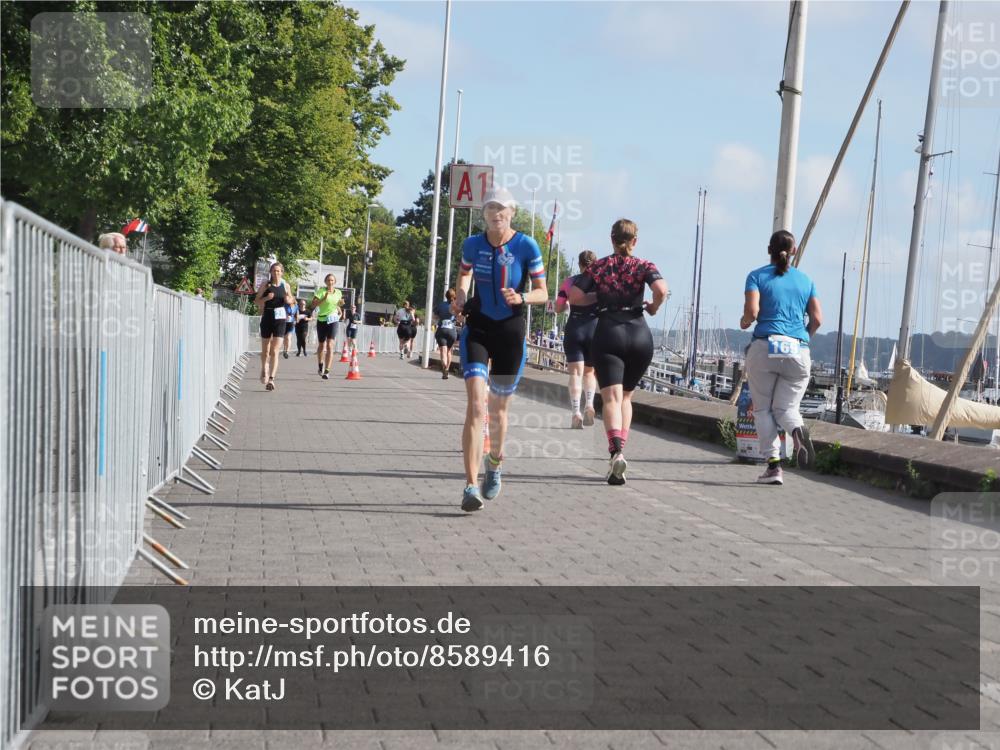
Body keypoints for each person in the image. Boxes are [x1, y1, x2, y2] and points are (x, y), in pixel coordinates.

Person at [454, 187, 546, 512]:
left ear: (512, 214)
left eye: (502, 209)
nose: (497, 214)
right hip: (478, 328)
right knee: (476, 406)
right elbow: (464, 274)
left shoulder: (526, 245)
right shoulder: (472, 244)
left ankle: (494, 463)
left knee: (498, 411)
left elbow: (543, 292)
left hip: (510, 330)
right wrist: (460, 296)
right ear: (484, 214)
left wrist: (523, 297)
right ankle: (469, 486)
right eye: (491, 208)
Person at [568, 219, 668, 485]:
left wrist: (598, 297)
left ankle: (616, 452)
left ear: (611, 240)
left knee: (610, 398)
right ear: (635, 241)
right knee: (626, 397)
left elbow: (575, 296)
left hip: (608, 333)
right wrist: (653, 307)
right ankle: (621, 449)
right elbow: (661, 290)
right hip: (639, 335)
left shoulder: (599, 266)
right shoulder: (644, 266)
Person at [740, 229, 821, 485]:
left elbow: (752, 312)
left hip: (765, 346)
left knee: (763, 409)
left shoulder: (756, 276)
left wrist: (744, 321)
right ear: (793, 251)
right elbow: (817, 319)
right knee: (786, 409)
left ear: (769, 250)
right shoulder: (806, 280)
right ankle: (797, 431)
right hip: (798, 349)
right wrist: (803, 339)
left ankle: (774, 467)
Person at [556, 250, 600, 429]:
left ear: (580, 264)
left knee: (575, 373)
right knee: (590, 372)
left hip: (574, 327)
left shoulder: (570, 282)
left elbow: (558, 307)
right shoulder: (600, 282)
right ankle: (589, 404)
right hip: (594, 328)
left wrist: (568, 303)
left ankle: (576, 413)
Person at [254, 262, 295, 391]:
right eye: (274, 271)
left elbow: (293, 301)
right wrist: (266, 298)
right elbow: (256, 301)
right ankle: (264, 368)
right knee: (266, 350)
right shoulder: (266, 284)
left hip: (280, 319)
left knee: (275, 350)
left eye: (278, 271)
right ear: (271, 272)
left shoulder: (285, 285)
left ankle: (271, 379)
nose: (276, 273)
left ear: (282, 272)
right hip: (268, 316)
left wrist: (289, 301)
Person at [312, 274, 343, 380]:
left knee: (330, 345)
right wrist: (324, 298)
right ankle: (320, 365)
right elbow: (313, 304)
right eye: (328, 280)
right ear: (325, 282)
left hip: (333, 320)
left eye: (332, 280)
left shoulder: (338, 292)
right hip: (322, 320)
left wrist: (340, 304)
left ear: (335, 282)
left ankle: (327, 370)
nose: (330, 282)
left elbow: (337, 304)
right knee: (322, 345)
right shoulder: (321, 291)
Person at [433, 288, 459, 379]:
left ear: (446, 296)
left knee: (443, 351)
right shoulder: (455, 305)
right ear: (454, 296)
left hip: (442, 330)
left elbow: (434, 317)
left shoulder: (440, 305)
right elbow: (459, 317)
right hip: (452, 331)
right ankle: (447, 369)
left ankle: (444, 367)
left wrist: (439, 319)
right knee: (449, 351)